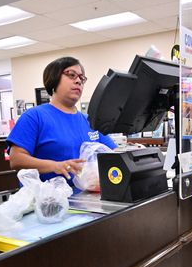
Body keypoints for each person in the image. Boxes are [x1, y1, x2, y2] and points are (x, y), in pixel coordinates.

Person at [7, 56, 117, 186]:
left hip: (86, 199)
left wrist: (136, 151)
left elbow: (113, 152)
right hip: (48, 201)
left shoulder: (90, 121)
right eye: (71, 75)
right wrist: (55, 166)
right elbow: (16, 159)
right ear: (54, 79)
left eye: (82, 78)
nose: (78, 81)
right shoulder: (34, 116)